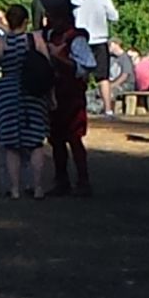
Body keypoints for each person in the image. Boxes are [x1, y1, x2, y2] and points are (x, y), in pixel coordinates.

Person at [0, 5, 51, 199]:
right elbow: (47, 67)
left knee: (11, 144)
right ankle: (38, 187)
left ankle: (15, 189)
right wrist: (50, 94)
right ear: (26, 21)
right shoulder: (35, 39)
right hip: (33, 92)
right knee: (35, 142)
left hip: (8, 93)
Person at [47, 19, 97, 195]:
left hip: (72, 94)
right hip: (54, 93)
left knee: (74, 137)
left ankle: (83, 181)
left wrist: (59, 58)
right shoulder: (48, 36)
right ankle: (61, 180)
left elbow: (87, 66)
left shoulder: (76, 39)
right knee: (56, 139)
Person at [73, 0, 121, 116]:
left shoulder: (75, 0)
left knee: (81, 77)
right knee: (103, 77)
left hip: (82, 40)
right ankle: (108, 110)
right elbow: (114, 17)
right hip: (99, 40)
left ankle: (79, 109)